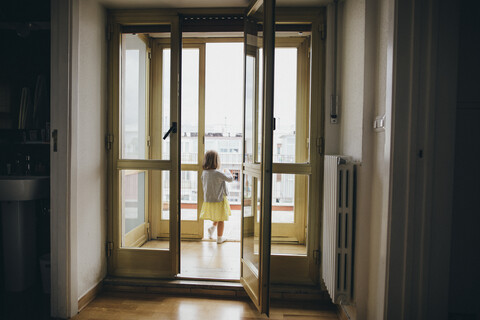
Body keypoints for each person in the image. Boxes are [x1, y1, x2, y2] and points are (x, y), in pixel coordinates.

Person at [200, 150, 233, 244]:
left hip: (209, 199)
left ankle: (212, 229)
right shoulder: (218, 173)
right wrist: (227, 172)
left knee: (217, 214)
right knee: (221, 218)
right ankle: (219, 238)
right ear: (216, 161)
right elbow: (230, 179)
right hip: (219, 199)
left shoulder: (204, 173)